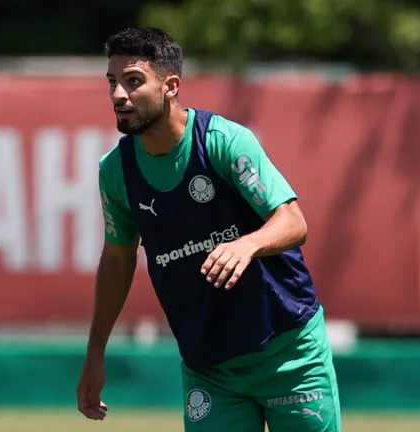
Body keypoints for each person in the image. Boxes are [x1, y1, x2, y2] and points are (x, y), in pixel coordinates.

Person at [76, 27, 341, 432]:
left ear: (171, 86)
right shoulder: (115, 171)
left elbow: (293, 221)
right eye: (112, 82)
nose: (118, 96)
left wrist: (247, 245)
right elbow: (117, 257)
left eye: (132, 82)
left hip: (290, 353)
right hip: (209, 369)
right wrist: (95, 352)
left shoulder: (223, 142)